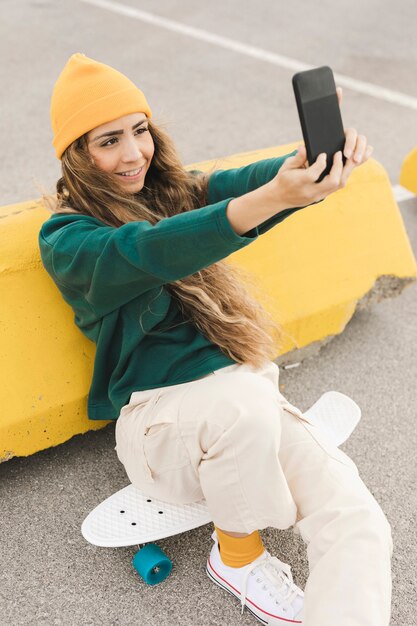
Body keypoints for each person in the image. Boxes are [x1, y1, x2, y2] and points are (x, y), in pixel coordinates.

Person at [38, 52, 392, 626]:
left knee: (356, 519)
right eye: (107, 142)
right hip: (159, 426)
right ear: (76, 155)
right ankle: (238, 556)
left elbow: (249, 187)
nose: (133, 154)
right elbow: (153, 249)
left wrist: (302, 175)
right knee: (246, 399)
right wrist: (274, 198)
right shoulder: (68, 238)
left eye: (139, 131)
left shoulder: (175, 191)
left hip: (243, 409)